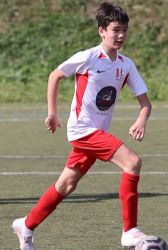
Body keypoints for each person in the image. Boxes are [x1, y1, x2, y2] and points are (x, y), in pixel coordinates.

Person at [11, 2, 152, 249]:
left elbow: (145, 103)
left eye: (124, 30)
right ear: (102, 31)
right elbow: (55, 75)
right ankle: (129, 231)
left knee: (66, 184)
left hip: (98, 133)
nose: (120, 35)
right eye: (115, 29)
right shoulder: (87, 57)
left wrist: (141, 119)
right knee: (132, 162)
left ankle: (27, 225)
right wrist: (53, 113)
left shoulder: (125, 65)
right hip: (82, 130)